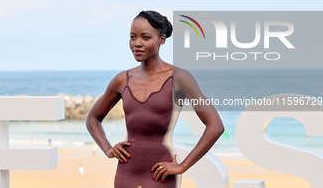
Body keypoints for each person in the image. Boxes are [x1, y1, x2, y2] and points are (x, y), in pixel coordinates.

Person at [86, 10, 224, 188]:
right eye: (132, 37)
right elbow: (93, 118)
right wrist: (107, 148)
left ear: (162, 39)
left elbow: (215, 126)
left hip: (161, 174)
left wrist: (183, 166)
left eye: (145, 37)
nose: (137, 43)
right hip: (126, 173)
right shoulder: (122, 80)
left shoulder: (179, 77)